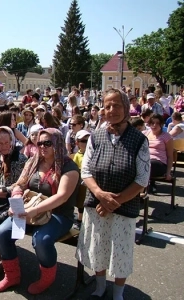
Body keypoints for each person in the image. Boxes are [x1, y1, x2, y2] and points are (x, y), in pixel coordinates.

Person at [76, 88, 150, 300]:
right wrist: (100, 194)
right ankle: (100, 287)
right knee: (98, 247)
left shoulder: (139, 140)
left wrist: (113, 201)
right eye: (107, 106)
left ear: (126, 109)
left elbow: (142, 179)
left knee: (120, 252)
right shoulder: (96, 136)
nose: (111, 110)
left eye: (116, 105)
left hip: (123, 208)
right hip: (97, 205)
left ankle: (118, 293)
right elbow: (86, 170)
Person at [0, 128, 80, 295]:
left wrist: (34, 210)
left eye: (47, 143)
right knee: (3, 232)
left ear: (57, 143)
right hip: (29, 210)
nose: (42, 147)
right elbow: (20, 184)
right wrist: (16, 201)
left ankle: (46, 278)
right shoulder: (34, 161)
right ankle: (12, 276)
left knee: (41, 240)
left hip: (58, 214)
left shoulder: (69, 167)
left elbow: (61, 197)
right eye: (39, 143)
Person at [143, 114, 173, 194]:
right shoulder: (145, 134)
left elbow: (170, 156)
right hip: (145, 160)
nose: (154, 125)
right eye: (152, 123)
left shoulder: (166, 136)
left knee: (146, 165)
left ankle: (142, 190)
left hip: (159, 163)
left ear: (161, 124)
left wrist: (168, 172)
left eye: (157, 123)